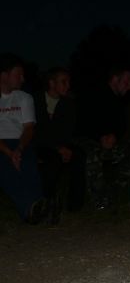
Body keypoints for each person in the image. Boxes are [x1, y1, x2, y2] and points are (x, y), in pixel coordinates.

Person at [79, 66, 130, 209]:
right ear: (114, 79)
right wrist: (100, 137)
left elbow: (122, 126)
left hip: (110, 142)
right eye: (126, 82)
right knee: (92, 155)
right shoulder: (92, 94)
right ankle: (98, 201)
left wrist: (114, 136)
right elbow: (83, 123)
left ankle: (111, 193)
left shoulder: (119, 101)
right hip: (88, 140)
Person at [34, 67, 86, 222]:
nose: (67, 85)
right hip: (39, 144)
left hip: (61, 143)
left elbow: (67, 131)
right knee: (53, 159)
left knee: (79, 155)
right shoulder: (35, 100)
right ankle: (48, 201)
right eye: (63, 82)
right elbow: (35, 131)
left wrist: (64, 148)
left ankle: (74, 205)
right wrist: (57, 148)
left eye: (68, 82)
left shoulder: (68, 104)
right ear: (51, 83)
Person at [0, 53, 46, 223]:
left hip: (20, 141)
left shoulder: (24, 98)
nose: (23, 78)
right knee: (6, 168)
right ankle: (31, 208)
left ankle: (37, 207)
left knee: (28, 164)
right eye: (18, 74)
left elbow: (28, 128)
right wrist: (8, 152)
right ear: (4, 75)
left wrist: (19, 148)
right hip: (0, 143)